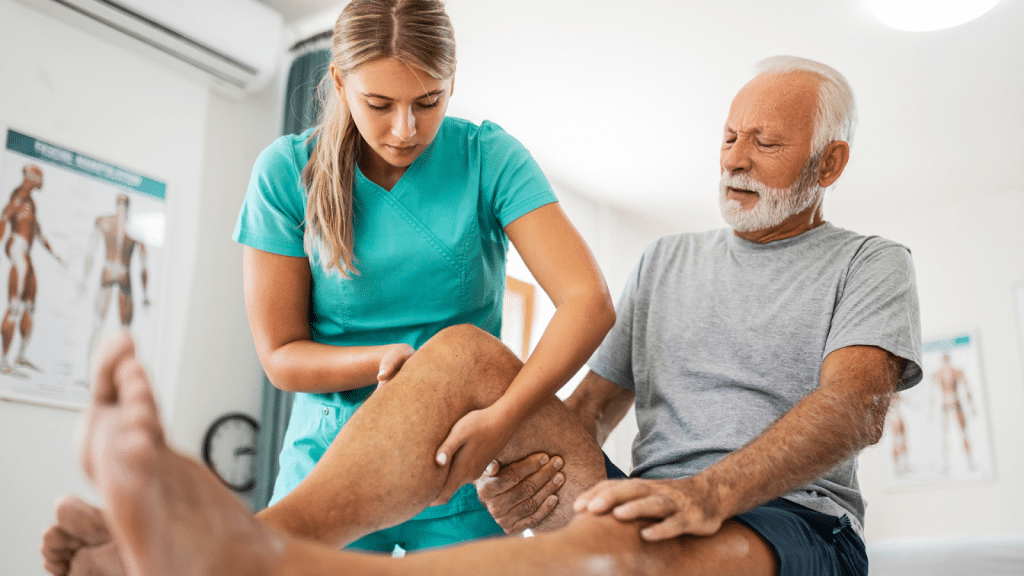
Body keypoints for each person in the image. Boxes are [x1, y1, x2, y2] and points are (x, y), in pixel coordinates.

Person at [43, 55, 923, 576]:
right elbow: (588, 410)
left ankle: (268, 570)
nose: (735, 159)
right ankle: (244, 546)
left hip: (790, 523)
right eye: (728, 137)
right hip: (648, 493)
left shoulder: (869, 264)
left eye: (765, 145)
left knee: (632, 534)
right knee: (465, 352)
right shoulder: (668, 260)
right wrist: (523, 464)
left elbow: (854, 408)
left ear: (830, 162)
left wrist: (709, 493)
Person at [233, 0, 613, 555]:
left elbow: (589, 301)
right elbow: (281, 354)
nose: (405, 129)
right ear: (339, 82)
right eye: (380, 103)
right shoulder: (287, 172)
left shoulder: (489, 159)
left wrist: (503, 420)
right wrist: (385, 361)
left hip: (460, 456)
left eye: (428, 101)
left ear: (452, 82)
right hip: (330, 456)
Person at [0, 163, 66, 377]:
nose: (40, 182)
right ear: (30, 177)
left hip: (26, 250)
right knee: (15, 305)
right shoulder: (18, 196)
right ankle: (2, 359)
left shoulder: (31, 203)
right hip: (17, 245)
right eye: (37, 178)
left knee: (30, 306)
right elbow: (4, 217)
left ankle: (20, 355)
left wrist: (53, 253)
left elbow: (37, 232)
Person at [79, 193, 150, 373]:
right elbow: (90, 252)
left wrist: (145, 294)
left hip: (118, 275)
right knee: (100, 324)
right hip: (113, 273)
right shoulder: (108, 222)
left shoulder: (131, 228)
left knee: (123, 330)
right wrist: (83, 279)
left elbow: (144, 265)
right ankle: (90, 374)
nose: (121, 207)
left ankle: (107, 378)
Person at [931, 352, 975, 470]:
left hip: (955, 405)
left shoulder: (956, 372)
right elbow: (932, 395)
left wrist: (972, 406)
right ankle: (946, 465)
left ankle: (969, 463)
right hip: (947, 406)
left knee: (963, 434)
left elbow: (967, 390)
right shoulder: (938, 374)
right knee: (946, 435)